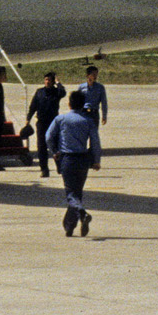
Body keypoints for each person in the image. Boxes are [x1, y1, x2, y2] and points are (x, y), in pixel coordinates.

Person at [45, 90, 102, 236]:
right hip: (83, 159)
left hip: (68, 159)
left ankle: (82, 213)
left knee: (71, 193)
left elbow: (48, 137)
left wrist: (55, 151)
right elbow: (95, 142)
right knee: (77, 193)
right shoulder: (88, 120)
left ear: (69, 103)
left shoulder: (61, 119)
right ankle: (69, 226)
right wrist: (96, 160)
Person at [25, 71, 67, 177]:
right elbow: (33, 106)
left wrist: (58, 82)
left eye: (49, 80)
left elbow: (63, 93)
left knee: (56, 145)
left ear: (53, 82)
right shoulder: (39, 92)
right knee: (41, 146)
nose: (47, 82)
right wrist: (28, 118)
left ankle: (59, 166)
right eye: (46, 80)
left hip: (53, 122)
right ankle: (44, 169)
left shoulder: (56, 92)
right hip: (42, 122)